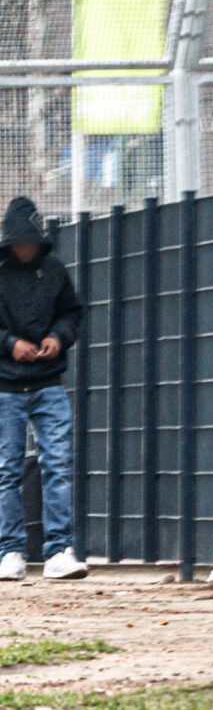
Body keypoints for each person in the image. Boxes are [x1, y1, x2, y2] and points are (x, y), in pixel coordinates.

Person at [0, 196, 84, 582]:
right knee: (7, 470)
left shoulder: (53, 270)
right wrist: (9, 344)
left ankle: (58, 551)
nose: (26, 249)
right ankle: (10, 551)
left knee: (59, 465)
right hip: (5, 386)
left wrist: (57, 337)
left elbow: (72, 313)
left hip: (49, 380)